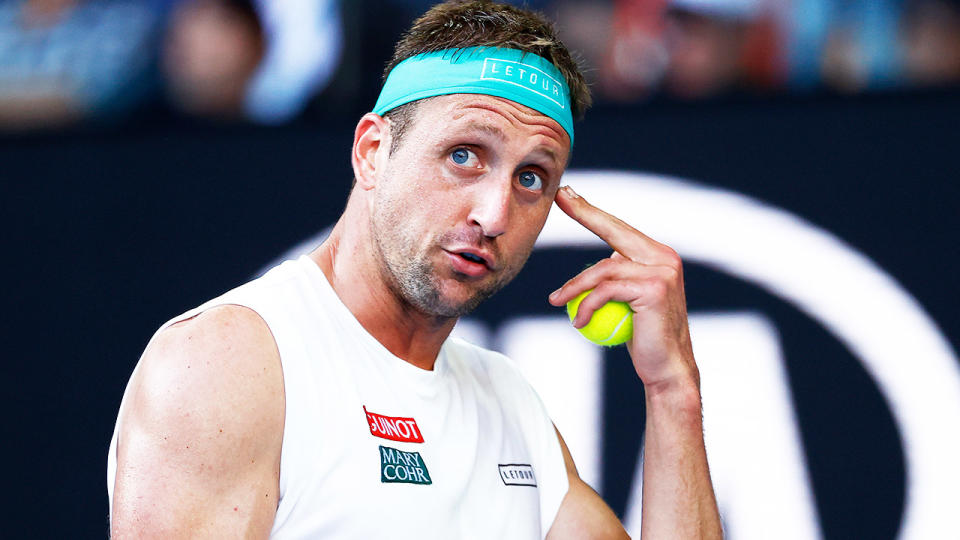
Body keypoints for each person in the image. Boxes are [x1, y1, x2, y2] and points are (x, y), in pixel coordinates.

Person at [107, 1, 723, 538]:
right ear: (373, 152)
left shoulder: (511, 404)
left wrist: (674, 392)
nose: (494, 212)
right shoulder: (228, 361)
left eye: (531, 177)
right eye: (464, 155)